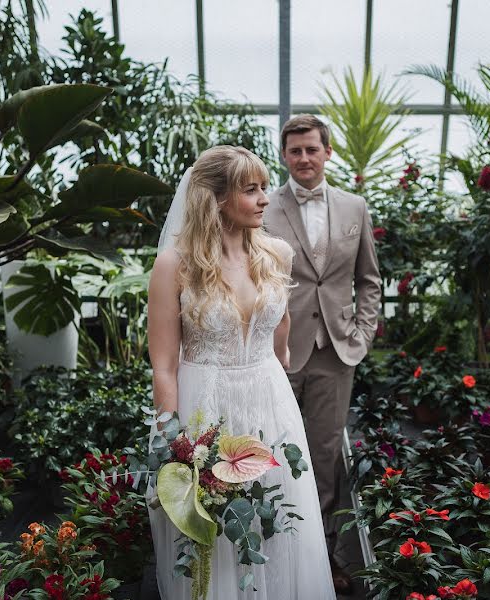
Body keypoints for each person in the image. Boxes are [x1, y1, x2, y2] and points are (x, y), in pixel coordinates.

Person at [147, 145, 336, 599]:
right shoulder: (175, 264)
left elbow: (280, 335)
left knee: (278, 518)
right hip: (204, 407)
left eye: (264, 188)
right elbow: (164, 366)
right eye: (250, 190)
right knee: (217, 527)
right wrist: (178, 448)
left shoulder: (276, 254)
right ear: (214, 198)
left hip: (269, 404)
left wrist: (271, 367)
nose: (265, 199)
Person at [263, 114, 382, 594]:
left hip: (336, 350)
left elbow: (369, 279)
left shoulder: (355, 207)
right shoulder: (265, 207)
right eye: (295, 151)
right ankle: (276, 550)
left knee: (327, 452)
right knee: (271, 449)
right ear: (284, 156)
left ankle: (326, 559)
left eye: (312, 149)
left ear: (328, 152)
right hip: (276, 351)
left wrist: (363, 332)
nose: (304, 158)